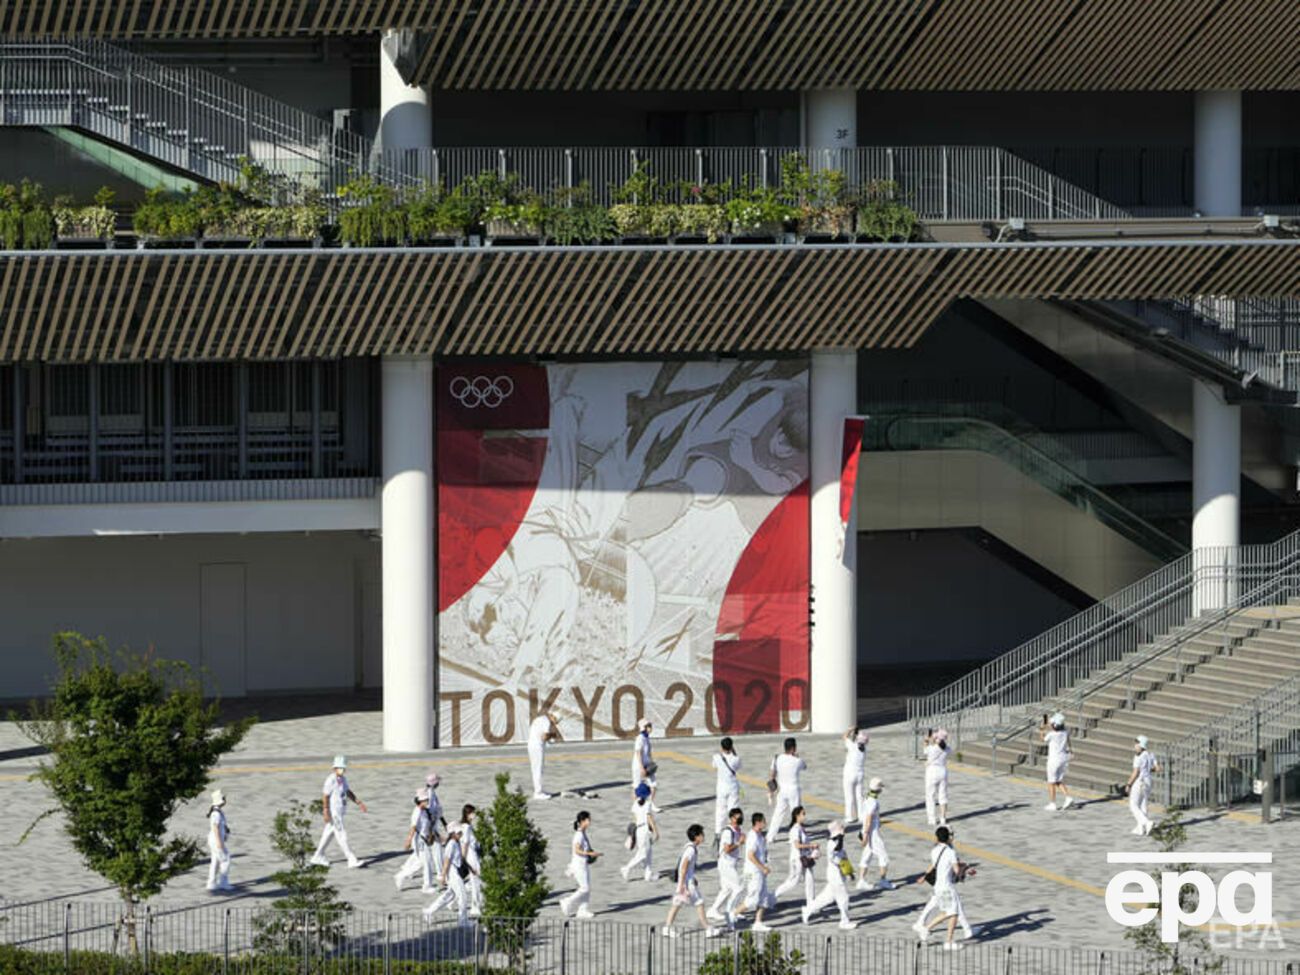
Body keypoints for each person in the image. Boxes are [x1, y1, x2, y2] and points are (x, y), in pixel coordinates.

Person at [912, 826, 976, 950]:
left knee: (951, 912)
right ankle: (930, 930)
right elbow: (956, 870)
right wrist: (966, 871)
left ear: (937, 838)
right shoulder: (951, 852)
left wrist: (924, 876)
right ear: (948, 838)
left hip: (938, 886)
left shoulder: (934, 851)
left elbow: (934, 865)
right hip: (947, 887)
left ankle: (946, 939)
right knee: (951, 912)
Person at [662, 825, 723, 938]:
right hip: (687, 883)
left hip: (686, 881)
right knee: (699, 903)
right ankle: (708, 929)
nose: (703, 836)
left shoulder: (689, 847)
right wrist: (683, 885)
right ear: (696, 836)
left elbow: (685, 867)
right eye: (701, 834)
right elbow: (684, 866)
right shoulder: (691, 850)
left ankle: (667, 928)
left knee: (676, 904)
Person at [312, 756, 368, 868]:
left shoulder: (343, 779)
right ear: (334, 768)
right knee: (341, 835)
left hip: (340, 811)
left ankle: (318, 855)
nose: (342, 770)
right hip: (334, 813)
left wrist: (358, 802)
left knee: (328, 833)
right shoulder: (330, 780)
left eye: (343, 768)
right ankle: (351, 859)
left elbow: (348, 792)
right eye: (339, 768)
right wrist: (326, 810)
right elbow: (325, 796)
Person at [801, 820, 856, 930]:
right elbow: (837, 854)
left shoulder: (837, 842)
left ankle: (808, 910)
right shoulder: (832, 844)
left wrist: (849, 872)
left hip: (838, 875)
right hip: (835, 876)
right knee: (843, 898)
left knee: (825, 898)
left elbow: (843, 857)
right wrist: (841, 837)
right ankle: (844, 921)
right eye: (841, 828)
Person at [423, 821, 470, 925]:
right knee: (462, 896)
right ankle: (463, 921)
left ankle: (429, 912)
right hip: (453, 873)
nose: (461, 834)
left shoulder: (455, 842)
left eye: (461, 832)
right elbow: (447, 861)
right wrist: (443, 876)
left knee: (449, 896)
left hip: (454, 872)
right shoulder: (452, 844)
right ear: (453, 833)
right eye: (459, 832)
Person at [707, 807, 745, 928]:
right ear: (731, 818)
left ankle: (713, 910)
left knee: (726, 889)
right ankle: (732, 911)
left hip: (731, 863)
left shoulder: (738, 829)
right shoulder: (728, 831)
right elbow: (727, 849)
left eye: (740, 816)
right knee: (738, 888)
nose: (739, 819)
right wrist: (739, 843)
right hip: (725, 863)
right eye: (737, 817)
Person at [395, 788, 437, 893]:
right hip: (420, 840)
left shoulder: (424, 811)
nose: (427, 802)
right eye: (425, 800)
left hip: (424, 839)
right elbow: (413, 827)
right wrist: (408, 841)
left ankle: (402, 875)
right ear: (420, 801)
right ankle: (426, 886)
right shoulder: (417, 812)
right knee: (426, 862)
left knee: (421, 862)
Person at [559, 811, 599, 918]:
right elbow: (577, 850)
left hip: (583, 864)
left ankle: (583, 910)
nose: (590, 822)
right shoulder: (579, 835)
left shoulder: (583, 833)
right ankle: (567, 901)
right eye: (588, 820)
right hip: (578, 865)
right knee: (584, 888)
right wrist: (590, 853)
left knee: (587, 888)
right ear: (582, 821)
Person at [773, 805, 817, 905]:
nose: (805, 816)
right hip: (797, 859)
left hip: (806, 857)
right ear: (797, 816)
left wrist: (812, 849)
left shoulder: (801, 828)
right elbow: (797, 845)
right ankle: (774, 895)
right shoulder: (795, 829)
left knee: (810, 879)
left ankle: (811, 902)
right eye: (803, 814)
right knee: (793, 881)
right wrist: (811, 845)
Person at [856, 777, 894, 891]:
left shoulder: (867, 797)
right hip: (872, 833)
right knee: (883, 856)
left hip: (866, 830)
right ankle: (883, 880)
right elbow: (868, 818)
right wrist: (867, 834)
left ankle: (861, 880)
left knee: (866, 856)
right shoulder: (873, 802)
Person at [740, 811, 774, 933]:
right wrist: (762, 867)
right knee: (752, 899)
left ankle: (758, 922)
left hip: (760, 872)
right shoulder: (753, 836)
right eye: (764, 821)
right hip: (753, 872)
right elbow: (750, 855)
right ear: (758, 822)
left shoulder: (760, 836)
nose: (766, 823)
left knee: (764, 898)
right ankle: (733, 914)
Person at [767, 737, 806, 843]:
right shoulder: (797, 761)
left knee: (778, 814)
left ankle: (770, 836)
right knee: (796, 814)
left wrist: (770, 791)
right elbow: (804, 766)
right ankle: (794, 837)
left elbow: (772, 774)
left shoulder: (777, 758)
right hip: (793, 790)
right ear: (793, 748)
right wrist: (797, 757)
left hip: (782, 790)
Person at [620, 782, 660, 882]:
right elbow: (649, 818)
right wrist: (656, 831)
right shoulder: (647, 804)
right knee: (643, 854)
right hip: (645, 830)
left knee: (649, 851)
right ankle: (627, 868)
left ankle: (648, 874)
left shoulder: (635, 804)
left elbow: (635, 818)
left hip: (638, 830)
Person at [1126, 735, 1159, 835]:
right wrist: (1149, 769)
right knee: (1143, 805)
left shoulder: (1138, 756)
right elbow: (1158, 769)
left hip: (1140, 781)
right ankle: (1141, 829)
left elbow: (1135, 772)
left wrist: (1129, 784)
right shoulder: (1151, 754)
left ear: (1141, 745)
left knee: (1133, 805)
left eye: (1136, 744)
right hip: (1148, 781)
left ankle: (1146, 823)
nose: (1135, 746)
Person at [1042, 713, 1074, 811]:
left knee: (1051, 782)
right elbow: (1068, 741)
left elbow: (1043, 739)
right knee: (1058, 780)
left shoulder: (1052, 734)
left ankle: (1052, 803)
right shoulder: (1065, 732)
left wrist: (1041, 729)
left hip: (1053, 760)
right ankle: (1068, 797)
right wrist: (1071, 750)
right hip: (1063, 758)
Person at [712, 737, 742, 843]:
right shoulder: (736, 759)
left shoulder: (716, 757)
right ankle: (733, 830)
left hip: (721, 787)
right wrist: (733, 751)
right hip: (732, 786)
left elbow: (714, 766)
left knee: (720, 810)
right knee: (733, 809)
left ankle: (718, 832)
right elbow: (738, 767)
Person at [457, 804, 483, 916]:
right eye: (473, 813)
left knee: (474, 880)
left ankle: (454, 901)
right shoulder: (467, 827)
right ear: (468, 814)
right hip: (471, 854)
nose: (475, 815)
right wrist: (463, 859)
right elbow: (465, 843)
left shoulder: (464, 825)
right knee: (476, 880)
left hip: (471, 854)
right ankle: (475, 906)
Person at [206, 789, 232, 893]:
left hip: (214, 840)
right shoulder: (216, 813)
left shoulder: (216, 811)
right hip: (216, 840)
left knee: (215, 861)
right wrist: (219, 842)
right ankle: (223, 882)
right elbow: (215, 827)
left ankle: (211, 883)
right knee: (225, 859)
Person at [922, 730, 950, 827]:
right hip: (943, 771)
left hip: (932, 772)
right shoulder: (947, 748)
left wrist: (927, 741)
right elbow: (942, 746)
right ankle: (943, 818)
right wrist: (934, 740)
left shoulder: (932, 748)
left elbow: (925, 751)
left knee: (930, 795)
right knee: (943, 796)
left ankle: (932, 819)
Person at [528, 712, 558, 800]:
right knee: (538, 769)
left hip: (532, 745)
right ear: (553, 717)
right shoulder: (546, 722)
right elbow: (544, 737)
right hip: (537, 747)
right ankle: (538, 793)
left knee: (536, 768)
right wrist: (553, 735)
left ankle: (539, 790)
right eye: (555, 721)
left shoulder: (539, 719)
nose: (553, 724)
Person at [632, 717, 659, 810]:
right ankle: (636, 805)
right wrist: (641, 767)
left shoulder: (647, 738)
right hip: (638, 767)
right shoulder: (640, 739)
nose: (651, 728)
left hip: (647, 765)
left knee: (653, 784)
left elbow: (648, 753)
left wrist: (651, 762)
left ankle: (651, 804)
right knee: (636, 787)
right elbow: (638, 753)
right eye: (649, 726)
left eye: (650, 725)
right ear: (644, 727)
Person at [842, 727, 869, 821]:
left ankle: (850, 817)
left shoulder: (852, 746)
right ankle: (861, 816)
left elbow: (844, 736)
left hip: (849, 774)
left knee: (849, 796)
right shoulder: (864, 750)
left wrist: (850, 729)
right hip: (860, 774)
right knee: (859, 796)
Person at [425, 772, 447, 878]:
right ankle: (440, 873)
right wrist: (433, 830)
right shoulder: (429, 794)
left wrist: (444, 823)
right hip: (431, 826)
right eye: (437, 781)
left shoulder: (432, 792)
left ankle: (406, 872)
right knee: (437, 849)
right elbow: (429, 811)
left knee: (420, 856)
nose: (439, 783)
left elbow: (438, 810)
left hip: (434, 824)